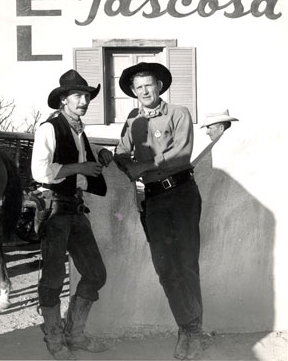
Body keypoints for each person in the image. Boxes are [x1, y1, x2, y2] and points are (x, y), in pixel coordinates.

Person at [114, 62, 203, 360]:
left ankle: (192, 331)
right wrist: (129, 168)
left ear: (160, 86)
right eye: (138, 88)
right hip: (153, 199)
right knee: (165, 267)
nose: (144, 91)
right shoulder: (132, 120)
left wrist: (147, 165)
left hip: (181, 194)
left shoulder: (179, 113)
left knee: (187, 263)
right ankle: (190, 328)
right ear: (134, 92)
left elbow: (182, 153)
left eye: (148, 85)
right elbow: (121, 153)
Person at [31, 69, 113, 360]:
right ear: (63, 100)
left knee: (95, 274)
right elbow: (40, 172)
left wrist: (100, 154)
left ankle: (74, 333)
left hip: (75, 209)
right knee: (52, 279)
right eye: (78, 95)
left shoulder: (79, 130)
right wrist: (79, 168)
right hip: (54, 209)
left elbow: (82, 157)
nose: (84, 101)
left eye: (87, 96)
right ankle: (54, 337)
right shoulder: (49, 128)